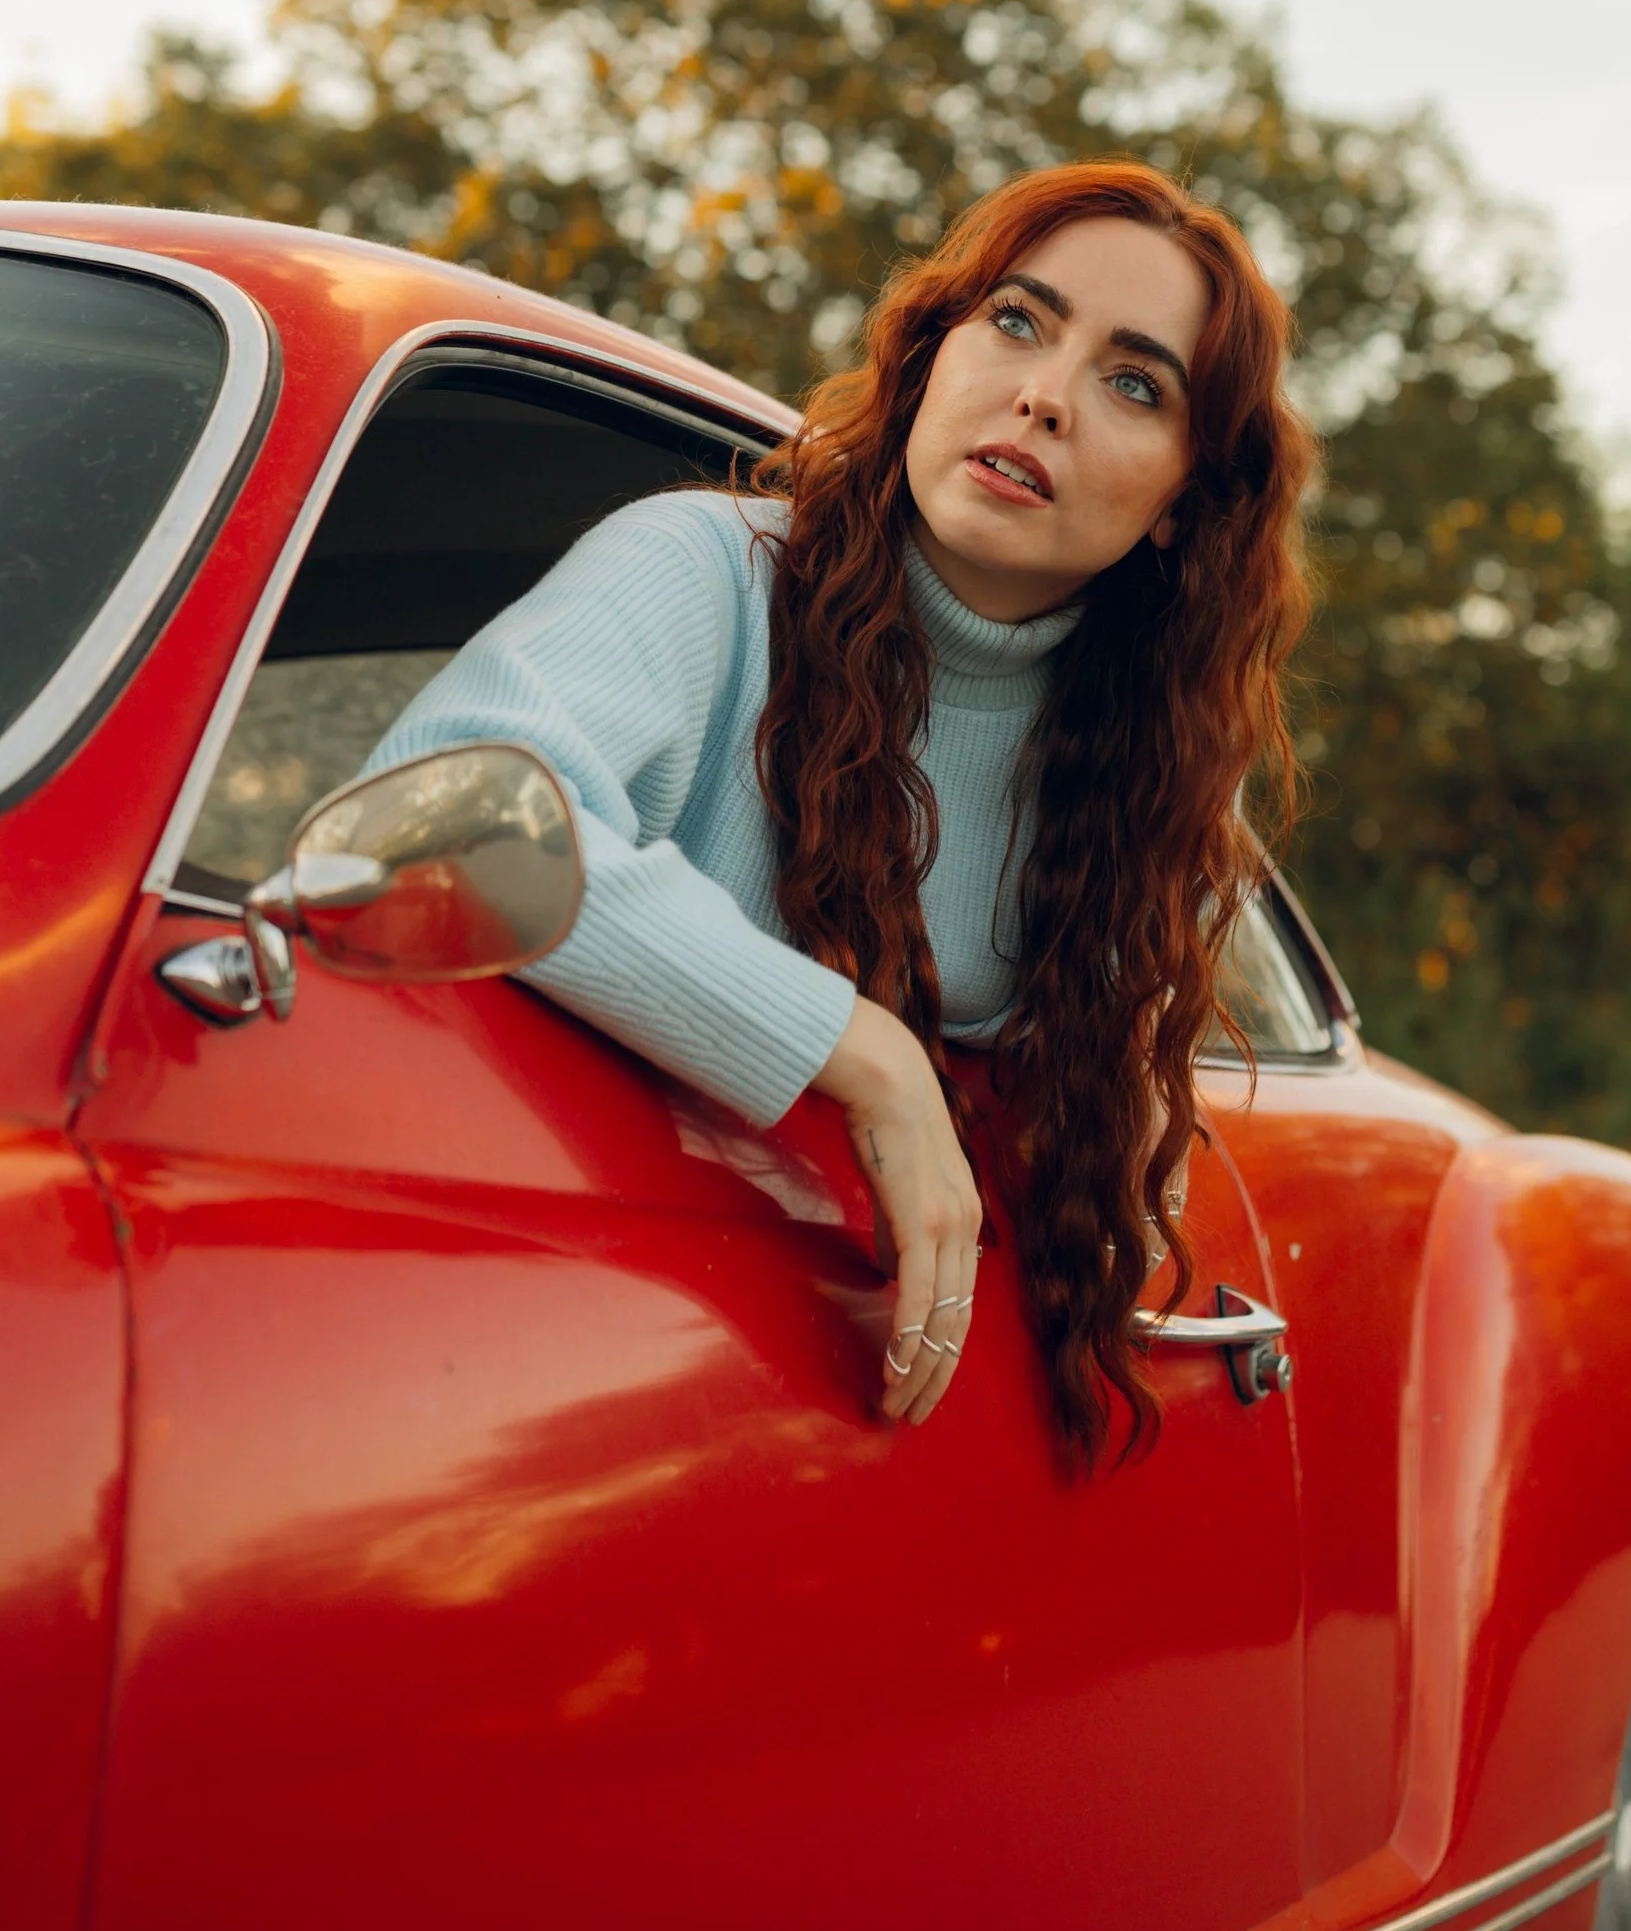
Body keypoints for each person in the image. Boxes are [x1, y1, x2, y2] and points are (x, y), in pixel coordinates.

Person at [371, 160, 1313, 1457]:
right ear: (935, 354)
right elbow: (432, 816)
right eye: (1019, 322)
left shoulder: (1140, 795)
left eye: (1133, 383)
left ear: (1182, 509)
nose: (1043, 396)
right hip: (548, 1364)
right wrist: (866, 1061)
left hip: (863, 1428)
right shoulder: (703, 573)